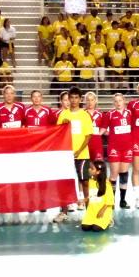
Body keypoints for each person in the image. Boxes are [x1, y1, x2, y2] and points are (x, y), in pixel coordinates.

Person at [55, 88, 93, 218]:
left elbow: (88, 136)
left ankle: (89, 211)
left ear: (80, 99)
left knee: (85, 181)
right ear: (68, 99)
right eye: (72, 97)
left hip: (82, 155)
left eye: (77, 97)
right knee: (65, 182)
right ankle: (64, 211)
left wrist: (78, 151)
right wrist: (63, 126)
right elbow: (57, 134)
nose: (74, 100)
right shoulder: (63, 114)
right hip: (65, 155)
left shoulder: (85, 115)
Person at [101, 93, 133, 209]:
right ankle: (111, 200)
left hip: (127, 148)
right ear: (113, 103)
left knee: (124, 174)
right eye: (116, 101)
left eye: (120, 100)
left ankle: (123, 200)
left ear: (124, 101)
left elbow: (134, 128)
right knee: (114, 175)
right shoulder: (109, 114)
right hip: (114, 148)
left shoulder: (130, 113)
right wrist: (100, 134)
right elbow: (103, 129)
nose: (118, 103)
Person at [82, 160, 114, 232]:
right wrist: (85, 199)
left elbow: (110, 200)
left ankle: (108, 220)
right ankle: (92, 219)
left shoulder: (107, 184)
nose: (89, 169)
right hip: (92, 210)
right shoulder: (91, 181)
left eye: (92, 168)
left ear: (98, 172)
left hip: (103, 210)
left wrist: (102, 211)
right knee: (85, 227)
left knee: (96, 229)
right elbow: (92, 195)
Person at [85, 92, 104, 161]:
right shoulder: (81, 114)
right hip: (84, 144)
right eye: (88, 100)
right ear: (85, 101)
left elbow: (104, 127)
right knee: (85, 167)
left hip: (97, 143)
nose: (90, 102)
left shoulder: (100, 114)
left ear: (95, 101)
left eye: (92, 100)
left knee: (98, 167)